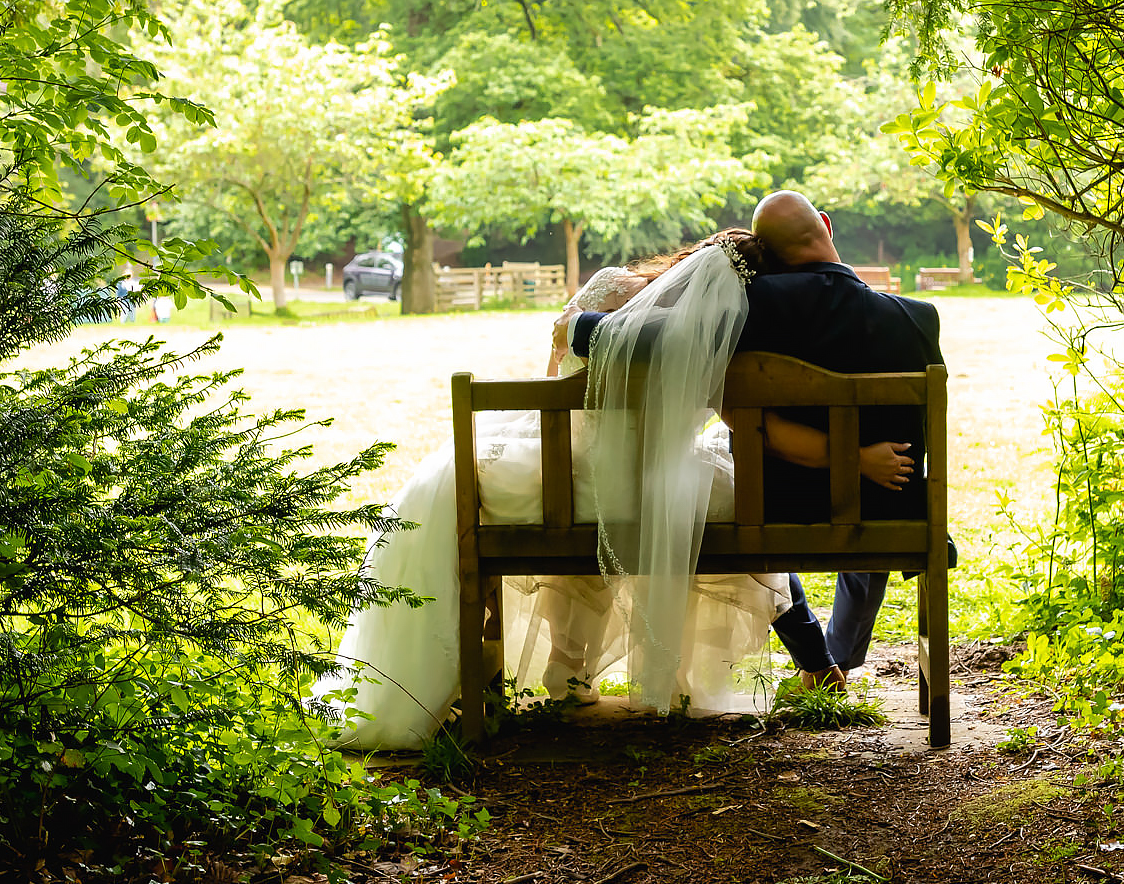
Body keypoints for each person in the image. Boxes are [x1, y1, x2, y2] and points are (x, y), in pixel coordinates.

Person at [318, 229, 914, 747]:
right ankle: (814, 660)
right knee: (733, 497)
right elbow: (742, 420)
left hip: (560, 466)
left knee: (597, 490)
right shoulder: (715, 334)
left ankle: (524, 678)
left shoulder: (606, 288)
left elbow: (552, 372)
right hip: (656, 477)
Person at [564, 191, 945, 691]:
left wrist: (577, 326)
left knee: (725, 449)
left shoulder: (749, 304)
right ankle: (838, 656)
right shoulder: (918, 318)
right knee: (881, 482)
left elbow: (646, 341)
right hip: (887, 500)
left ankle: (823, 657)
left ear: (765, 252)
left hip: (773, 503)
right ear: (826, 226)